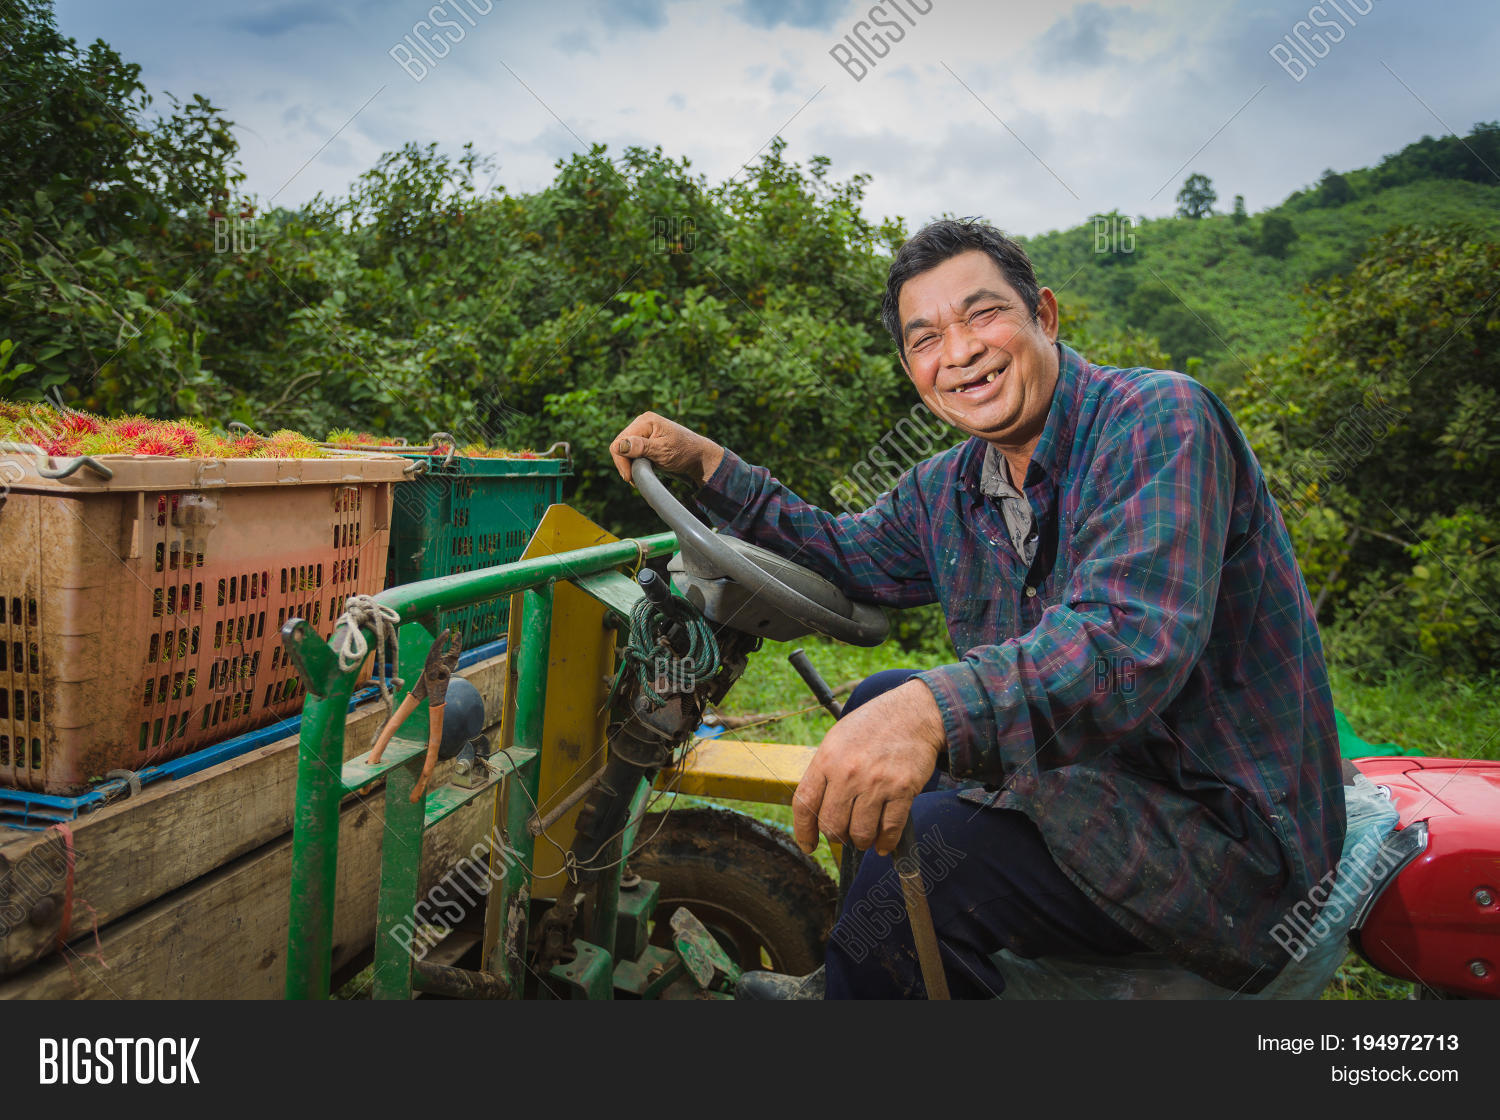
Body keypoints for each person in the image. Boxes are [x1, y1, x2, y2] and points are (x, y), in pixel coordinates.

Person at [609, 218, 1346, 999]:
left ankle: (875, 975)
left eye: (984, 315)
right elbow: (844, 556)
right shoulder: (953, 487)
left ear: (1046, 317)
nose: (959, 353)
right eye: (926, 338)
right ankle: (875, 978)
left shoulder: (1158, 420)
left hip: (1217, 837)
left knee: (921, 851)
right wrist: (713, 466)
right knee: (876, 698)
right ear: (910, 366)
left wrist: (928, 713)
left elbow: (1125, 645)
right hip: (1092, 778)